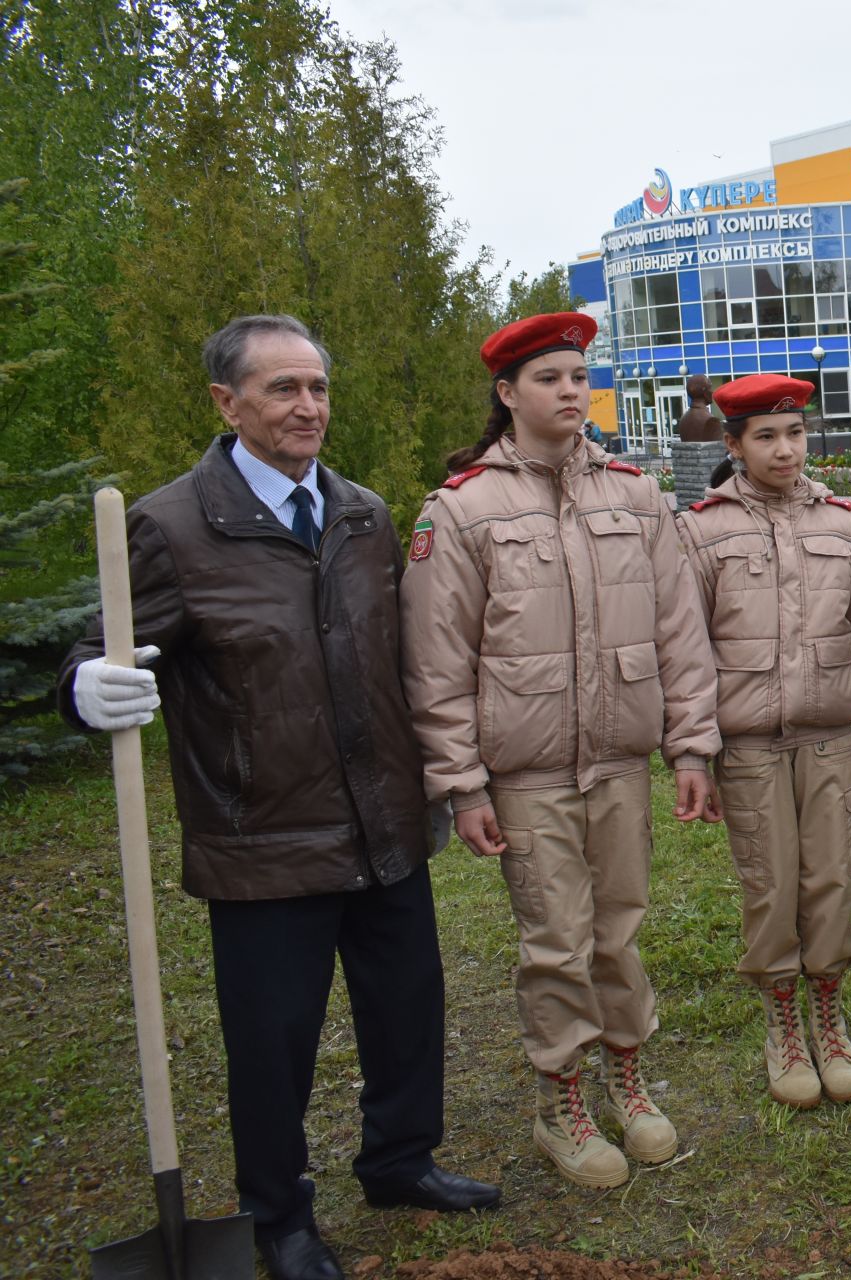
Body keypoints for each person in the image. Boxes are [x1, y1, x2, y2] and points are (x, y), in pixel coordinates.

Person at [58, 315, 498, 1280]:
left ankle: (399, 1159)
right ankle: (278, 1215)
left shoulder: (363, 513)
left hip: (382, 818)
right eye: (283, 390)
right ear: (227, 403)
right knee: (273, 1041)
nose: (310, 408)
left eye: (319, 388)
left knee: (406, 1006)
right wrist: (87, 687)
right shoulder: (171, 526)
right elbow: (100, 647)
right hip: (263, 835)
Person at [399, 312, 721, 1190]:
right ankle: (560, 1101)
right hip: (527, 771)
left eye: (580, 375)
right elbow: (436, 661)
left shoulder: (635, 494)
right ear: (507, 394)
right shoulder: (461, 509)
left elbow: (679, 631)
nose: (571, 391)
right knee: (557, 940)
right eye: (550, 378)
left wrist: (693, 746)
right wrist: (462, 786)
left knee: (620, 931)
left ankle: (626, 1078)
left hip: (619, 759)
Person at [674, 375, 851, 1109]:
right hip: (746, 749)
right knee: (771, 885)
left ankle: (829, 1014)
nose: (785, 449)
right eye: (766, 436)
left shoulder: (843, 527)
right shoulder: (703, 531)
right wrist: (692, 752)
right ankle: (782, 1016)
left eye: (796, 433)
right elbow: (684, 652)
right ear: (735, 444)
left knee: (831, 879)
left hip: (828, 741)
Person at [677, 373, 723, 441]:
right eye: (710, 387)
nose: (712, 391)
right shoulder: (711, 420)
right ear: (704, 392)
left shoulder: (683, 419)